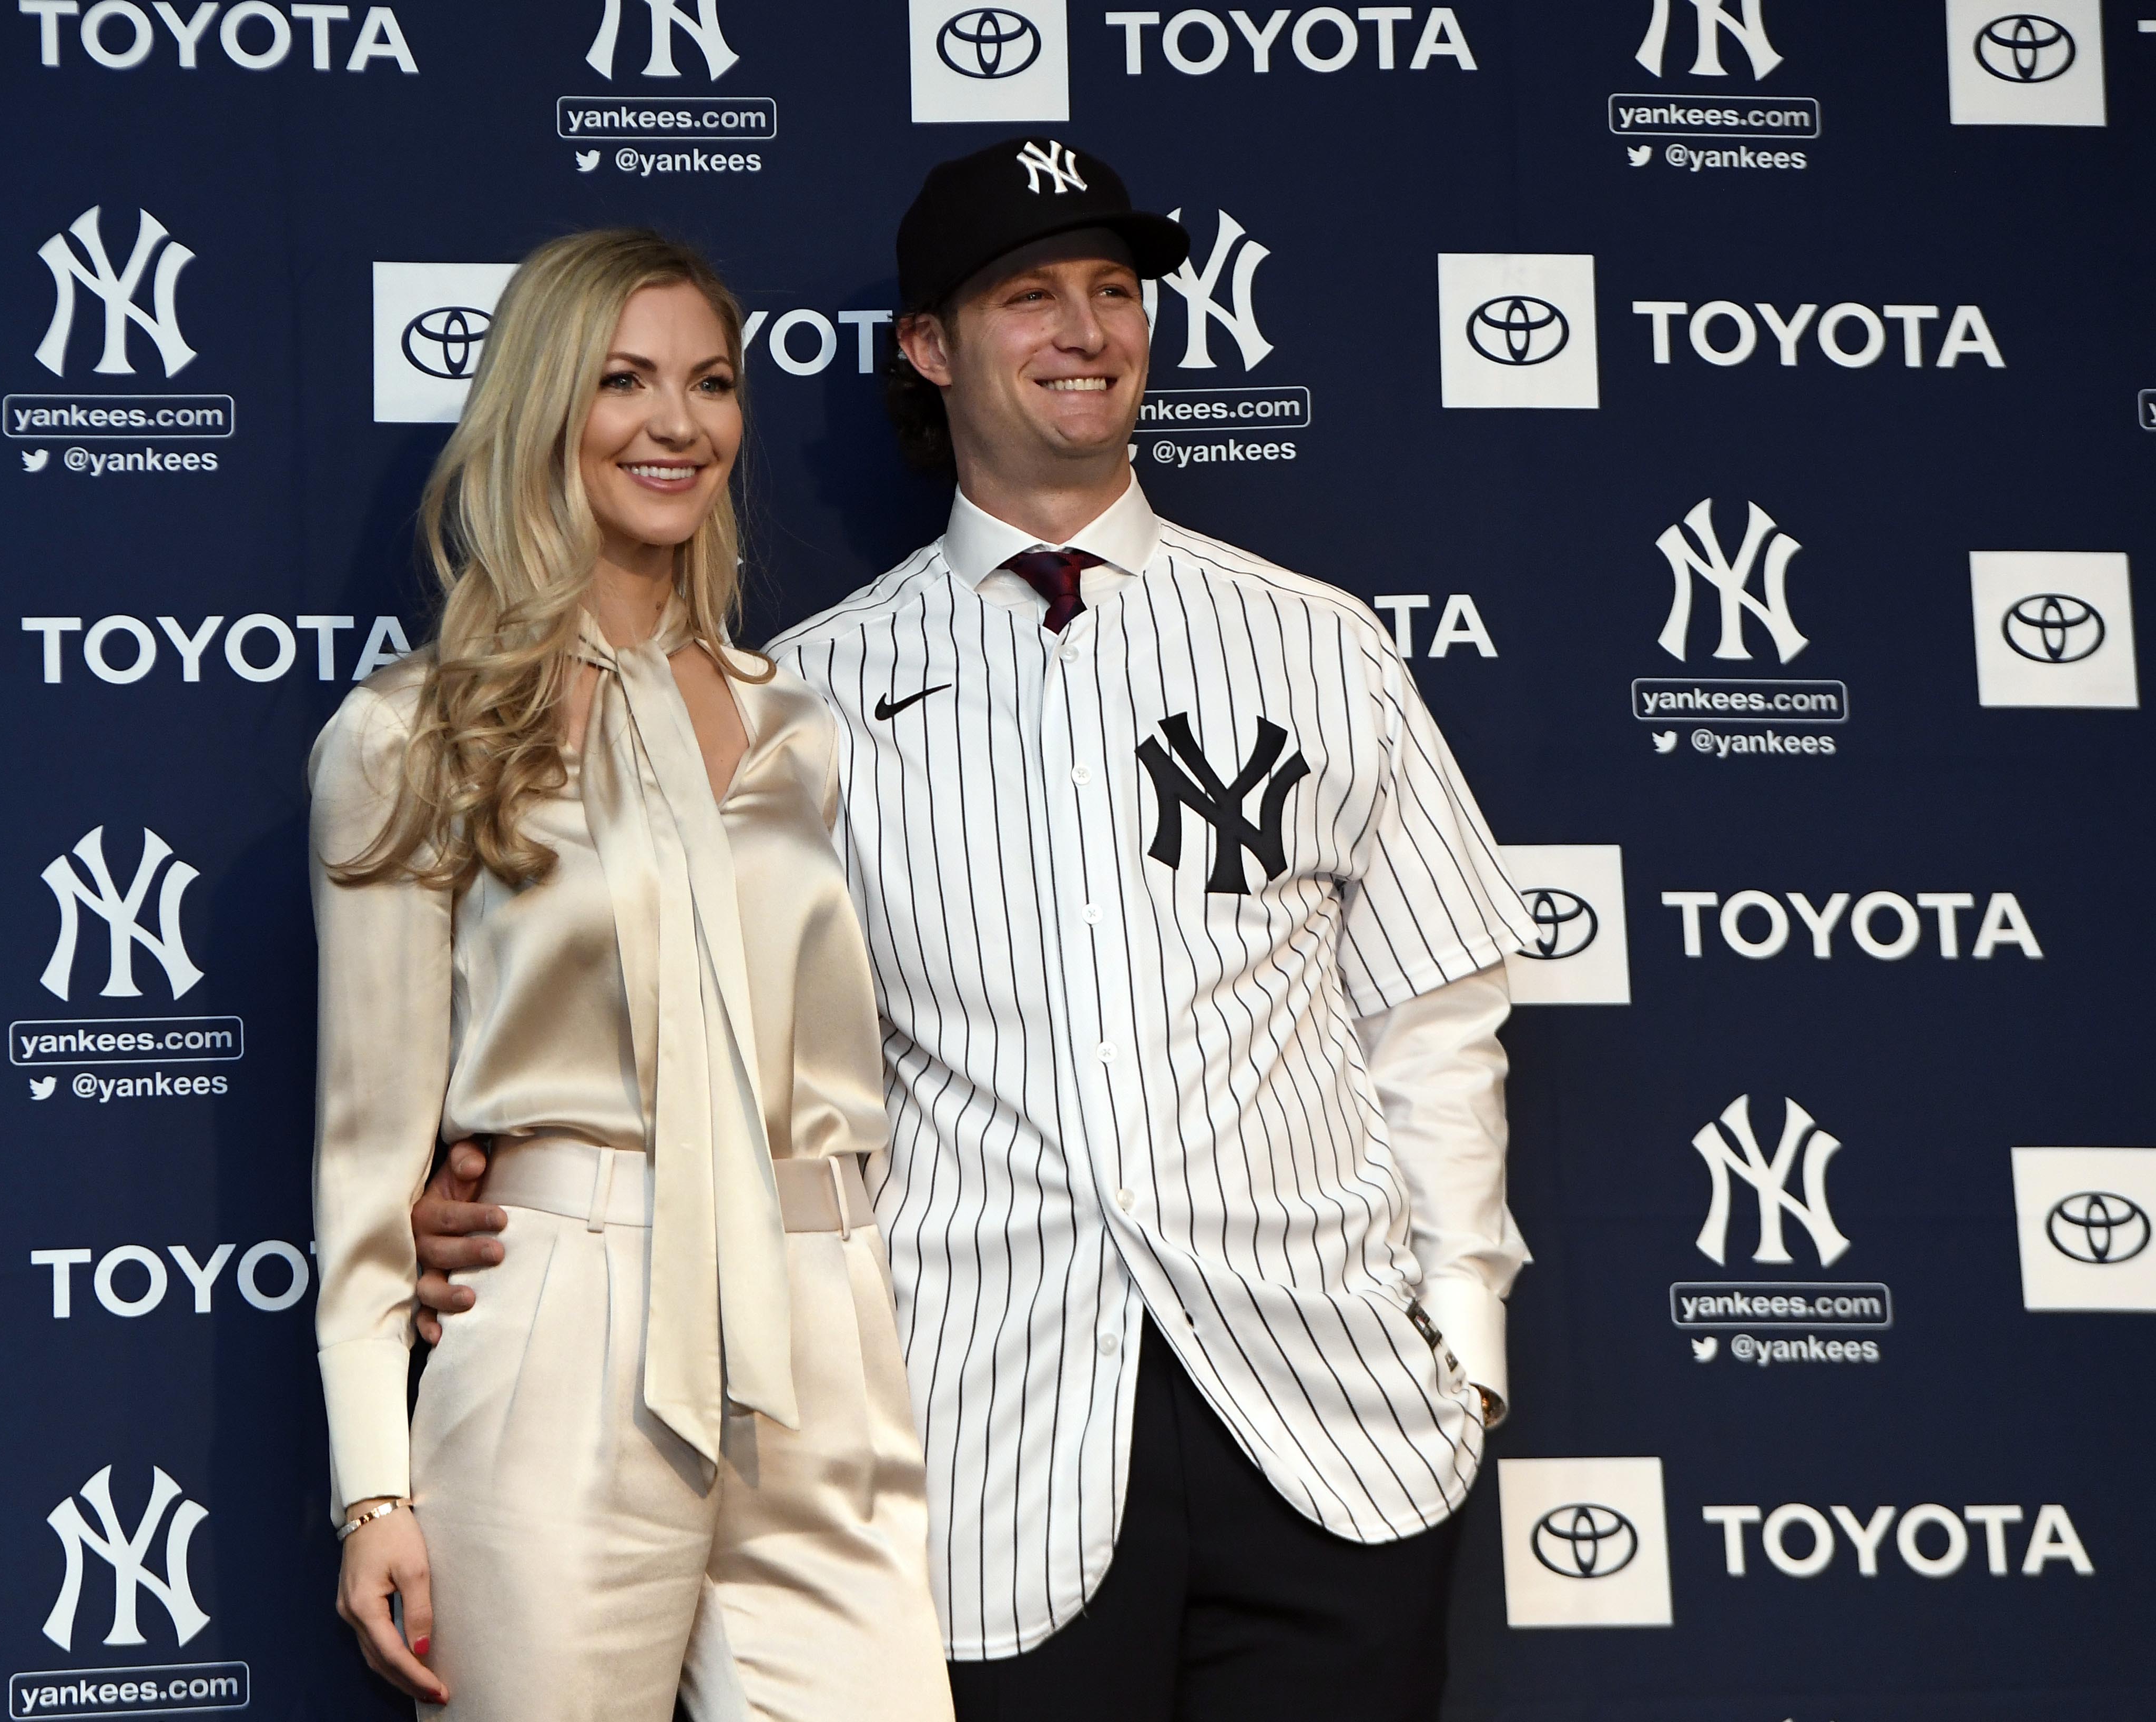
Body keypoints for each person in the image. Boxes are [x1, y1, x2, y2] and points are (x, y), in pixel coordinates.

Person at [415, 142, 1535, 1722]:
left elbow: (1434, 1018)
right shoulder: (803, 700)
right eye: (1030, 295)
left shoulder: (1317, 639)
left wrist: (1462, 1345)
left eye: (1113, 290)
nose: (1087, 328)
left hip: (1332, 1423)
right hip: (992, 1444)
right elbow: (705, 1060)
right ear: (929, 349)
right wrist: (492, 1198)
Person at [309, 227, 954, 1722]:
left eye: (712, 383)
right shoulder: (415, 737)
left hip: (823, 1331)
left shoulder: (803, 727)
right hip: (560, 1331)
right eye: (625, 380)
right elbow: (365, 1161)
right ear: (544, 405)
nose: (679, 424)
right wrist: (371, 1491)